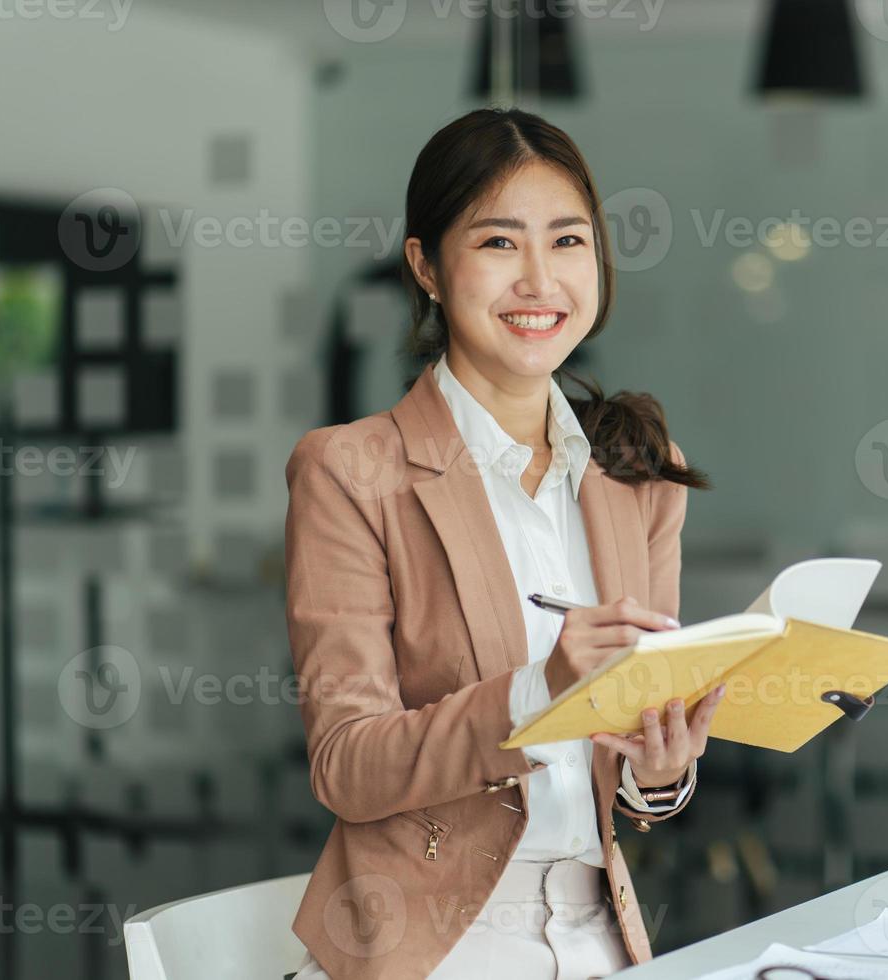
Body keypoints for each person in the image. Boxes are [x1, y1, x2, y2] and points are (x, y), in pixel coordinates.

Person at [283, 107, 720, 980]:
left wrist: (659, 773)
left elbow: (636, 768)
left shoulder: (640, 471)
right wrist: (542, 690)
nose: (539, 280)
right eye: (496, 244)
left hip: (605, 940)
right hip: (430, 946)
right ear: (427, 268)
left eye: (567, 242)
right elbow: (345, 765)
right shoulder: (350, 471)